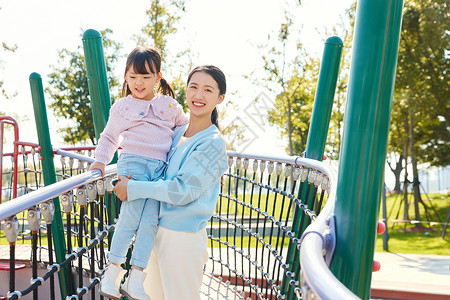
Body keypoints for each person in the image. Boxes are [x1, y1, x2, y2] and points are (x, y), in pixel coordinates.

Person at [113, 65, 228, 300]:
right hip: (154, 232)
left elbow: (181, 191)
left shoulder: (213, 143)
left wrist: (131, 188)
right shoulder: (176, 132)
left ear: (220, 98)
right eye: (193, 87)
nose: (198, 95)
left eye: (208, 90)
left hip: (182, 239)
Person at [89, 46, 189, 300]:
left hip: (160, 172)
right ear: (125, 77)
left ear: (158, 77)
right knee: (130, 219)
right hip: (132, 166)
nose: (138, 83)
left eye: (145, 77)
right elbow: (109, 137)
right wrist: (100, 162)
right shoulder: (123, 107)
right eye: (133, 77)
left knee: (149, 224)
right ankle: (112, 272)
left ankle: (135, 279)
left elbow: (186, 129)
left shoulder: (169, 105)